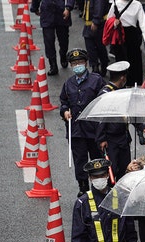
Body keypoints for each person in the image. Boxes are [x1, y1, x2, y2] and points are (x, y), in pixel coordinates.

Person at [59, 48, 106, 197]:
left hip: (94, 130)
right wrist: (65, 111)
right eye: (74, 63)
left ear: (86, 63)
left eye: (79, 62)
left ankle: (100, 186)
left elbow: (104, 100)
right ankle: (83, 187)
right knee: (80, 160)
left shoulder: (96, 80)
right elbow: (63, 102)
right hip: (76, 130)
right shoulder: (68, 84)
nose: (77, 65)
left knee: (97, 158)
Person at [95, 61, 132, 181]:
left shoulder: (121, 91)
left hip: (123, 137)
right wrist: (101, 138)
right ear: (122, 78)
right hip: (111, 139)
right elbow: (100, 118)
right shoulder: (106, 94)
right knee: (111, 170)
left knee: (125, 169)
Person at [107, 0, 145, 87]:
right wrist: (115, 23)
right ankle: (120, 85)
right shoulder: (116, 3)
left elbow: (143, 23)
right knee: (121, 61)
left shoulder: (137, 4)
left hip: (133, 35)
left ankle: (136, 85)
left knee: (135, 61)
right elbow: (109, 19)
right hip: (120, 35)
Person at [30, 0, 72, 75]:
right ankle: (53, 65)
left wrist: (68, 8)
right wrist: (35, 7)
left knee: (64, 40)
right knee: (48, 41)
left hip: (61, 12)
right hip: (47, 12)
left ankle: (63, 54)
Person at [82, 0, 110, 75]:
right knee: (90, 46)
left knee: (99, 46)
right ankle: (95, 67)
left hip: (97, 24)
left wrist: (96, 21)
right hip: (89, 23)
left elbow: (99, 5)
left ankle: (103, 65)